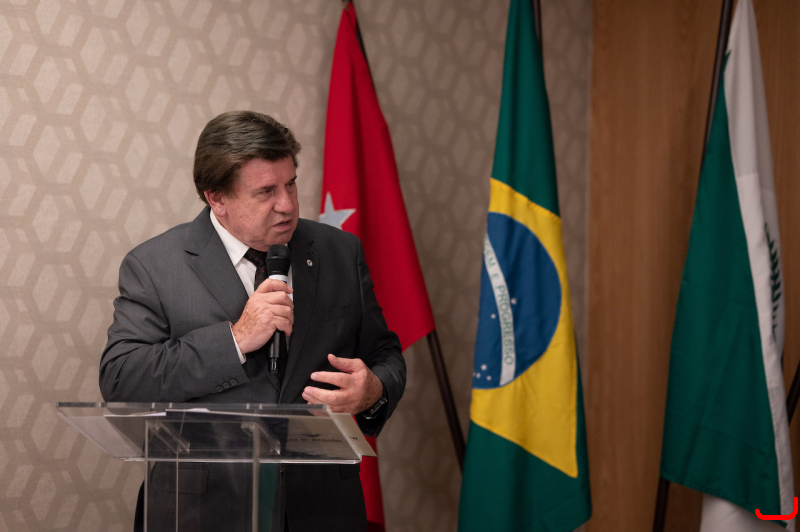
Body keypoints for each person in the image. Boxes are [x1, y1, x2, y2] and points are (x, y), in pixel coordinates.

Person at [99, 110, 406, 532]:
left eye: (290, 184)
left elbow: (385, 354)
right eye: (266, 192)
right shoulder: (154, 266)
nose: (287, 204)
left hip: (323, 510)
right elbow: (121, 379)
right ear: (217, 199)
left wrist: (373, 390)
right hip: (203, 512)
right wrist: (235, 339)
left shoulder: (340, 251)